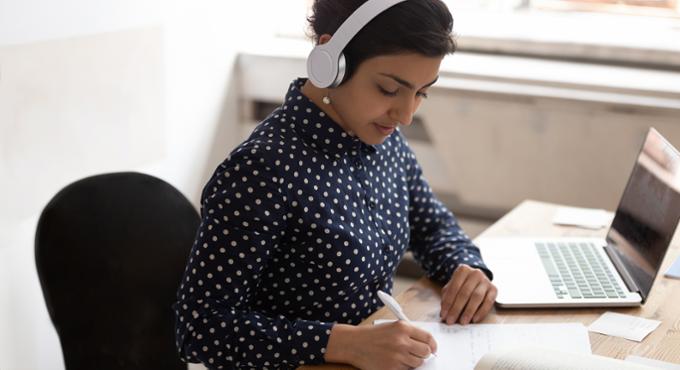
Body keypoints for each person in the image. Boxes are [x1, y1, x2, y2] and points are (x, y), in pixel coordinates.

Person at [173, 1, 497, 369]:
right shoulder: (261, 170)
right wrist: (340, 343)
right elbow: (199, 327)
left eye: (422, 92)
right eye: (389, 89)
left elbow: (432, 224)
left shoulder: (385, 142)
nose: (406, 115)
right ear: (332, 61)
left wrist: (465, 267)